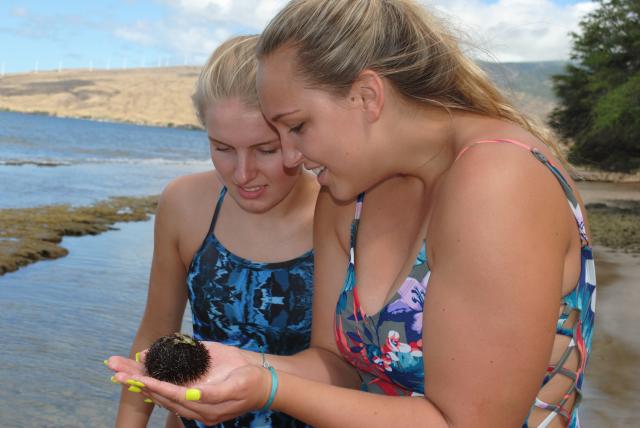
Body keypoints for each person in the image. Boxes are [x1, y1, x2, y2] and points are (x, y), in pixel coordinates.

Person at [108, 1, 596, 427]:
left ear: (367, 96)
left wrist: (269, 389)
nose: (292, 156)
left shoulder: (500, 178)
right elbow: (335, 363)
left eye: (297, 126)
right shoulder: (347, 197)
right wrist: (243, 365)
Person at [113, 35, 319, 428]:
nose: (242, 175)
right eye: (222, 148)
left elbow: (343, 366)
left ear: (299, 134)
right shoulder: (184, 203)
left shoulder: (339, 212)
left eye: (266, 150)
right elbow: (156, 333)